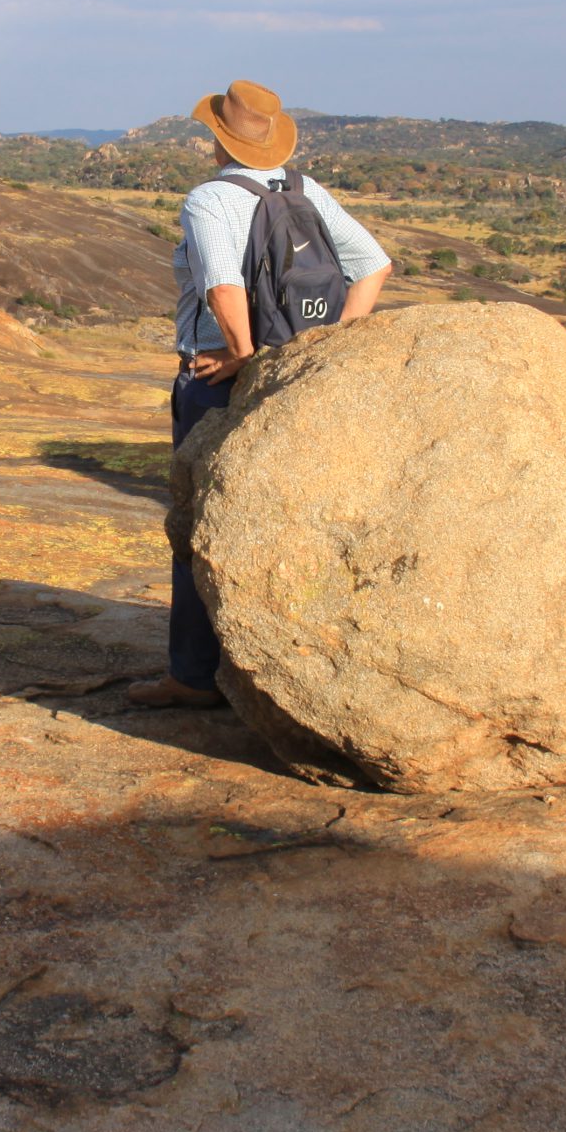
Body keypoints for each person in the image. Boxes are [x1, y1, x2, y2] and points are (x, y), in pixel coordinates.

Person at [125, 79, 391, 710]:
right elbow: (374, 264)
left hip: (217, 384)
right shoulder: (303, 189)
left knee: (197, 524)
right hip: (296, 381)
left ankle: (192, 675)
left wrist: (244, 359)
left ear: (217, 137)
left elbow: (221, 287)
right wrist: (322, 353)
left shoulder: (210, 198)